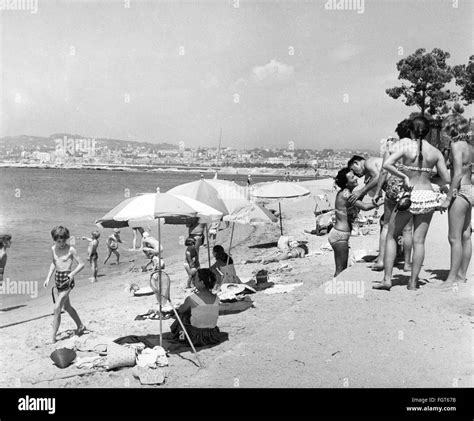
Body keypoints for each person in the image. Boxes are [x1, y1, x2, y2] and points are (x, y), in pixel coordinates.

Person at [374, 116, 450, 291]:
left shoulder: (407, 147)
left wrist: (405, 176)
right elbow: (445, 178)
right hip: (427, 196)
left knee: (392, 235)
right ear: (428, 131)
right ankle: (413, 282)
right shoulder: (435, 151)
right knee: (419, 241)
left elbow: (387, 164)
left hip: (409, 196)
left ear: (411, 130)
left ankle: (387, 279)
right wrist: (428, 176)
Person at [371, 120, 414, 271]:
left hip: (392, 187)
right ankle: (407, 263)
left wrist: (377, 192)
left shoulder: (391, 147)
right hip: (407, 187)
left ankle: (382, 260)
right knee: (408, 229)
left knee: (387, 226)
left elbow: (384, 171)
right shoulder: (414, 148)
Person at [330, 168, 383, 277]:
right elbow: (365, 207)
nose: (355, 178)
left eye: (354, 176)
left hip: (339, 234)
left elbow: (359, 201)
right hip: (340, 235)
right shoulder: (346, 194)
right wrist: (386, 200)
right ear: (346, 183)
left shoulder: (347, 193)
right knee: (341, 270)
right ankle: (336, 289)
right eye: (352, 177)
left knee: (342, 269)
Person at [439, 114, 472, 287]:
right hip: (470, 190)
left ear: (451, 128)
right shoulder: (470, 146)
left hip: (460, 192)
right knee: (466, 235)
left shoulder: (455, 145)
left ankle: (451, 279)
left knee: (454, 238)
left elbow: (457, 173)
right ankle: (461, 275)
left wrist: (448, 198)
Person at [43, 226, 87, 343]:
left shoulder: (71, 249)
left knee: (57, 308)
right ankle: (80, 325)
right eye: (59, 241)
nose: (61, 244)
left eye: (63, 241)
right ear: (54, 240)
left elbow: (81, 264)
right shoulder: (53, 249)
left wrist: (72, 274)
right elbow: (54, 263)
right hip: (58, 279)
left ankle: (52, 337)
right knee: (66, 307)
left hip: (68, 280)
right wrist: (48, 278)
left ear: (66, 239)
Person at [170, 268, 221, 347]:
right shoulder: (216, 298)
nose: (193, 281)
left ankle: (181, 338)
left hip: (196, 336)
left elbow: (181, 309)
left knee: (182, 317)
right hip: (212, 334)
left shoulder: (192, 298)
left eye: (195, 279)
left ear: (202, 282)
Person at [243, 240, 309, 265]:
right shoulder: (302, 250)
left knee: (273, 258)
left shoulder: (296, 248)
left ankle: (253, 261)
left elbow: (289, 249)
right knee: (275, 259)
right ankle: (253, 261)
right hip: (288, 255)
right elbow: (302, 257)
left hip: (286, 253)